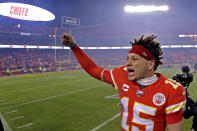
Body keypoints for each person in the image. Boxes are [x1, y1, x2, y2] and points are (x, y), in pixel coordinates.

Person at [61, 33, 186, 131]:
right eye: (127, 59)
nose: (128, 63)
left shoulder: (172, 90)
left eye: (134, 59)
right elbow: (93, 69)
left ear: (150, 64)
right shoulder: (122, 75)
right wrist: (73, 46)